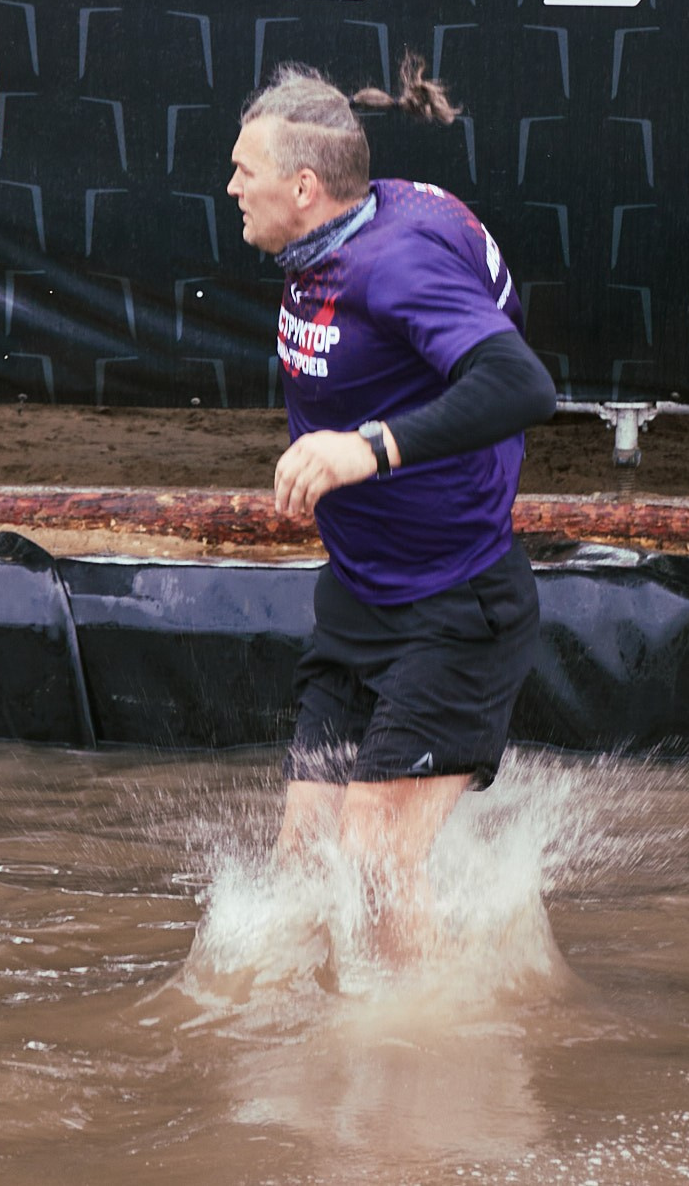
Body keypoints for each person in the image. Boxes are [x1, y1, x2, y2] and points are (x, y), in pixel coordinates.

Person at [227, 61, 557, 960]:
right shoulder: (357, 222)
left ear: (304, 187)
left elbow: (523, 382)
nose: (231, 189)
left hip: (456, 608)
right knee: (301, 860)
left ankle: (432, 1062)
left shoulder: (394, 261)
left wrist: (366, 448)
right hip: (361, 598)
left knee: (375, 861)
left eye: (243, 171)